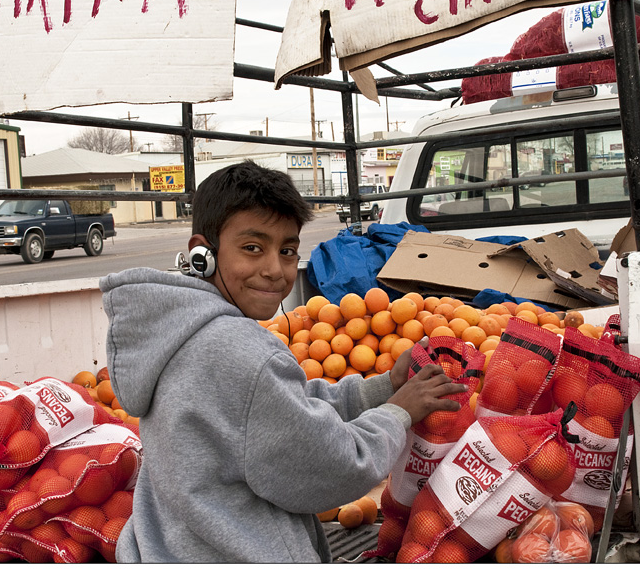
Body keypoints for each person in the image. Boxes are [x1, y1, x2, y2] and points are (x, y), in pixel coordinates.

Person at [99, 159, 464, 563]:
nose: (275, 269)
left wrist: (381, 389)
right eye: (252, 248)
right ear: (203, 252)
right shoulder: (237, 349)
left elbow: (280, 410)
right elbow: (333, 468)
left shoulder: (174, 330)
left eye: (287, 250)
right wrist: (398, 412)